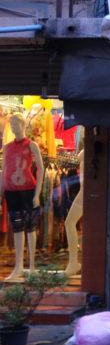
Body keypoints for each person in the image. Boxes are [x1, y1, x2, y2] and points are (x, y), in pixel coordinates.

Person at [2, 113, 45, 282]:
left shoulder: (32, 145)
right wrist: (1, 191)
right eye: (11, 125)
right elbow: (4, 170)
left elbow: (40, 169)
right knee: (17, 227)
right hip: (11, 191)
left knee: (30, 227)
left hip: (28, 189)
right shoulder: (7, 147)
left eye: (16, 124)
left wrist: (37, 193)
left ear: (24, 126)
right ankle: (18, 265)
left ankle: (32, 266)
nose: (13, 127)